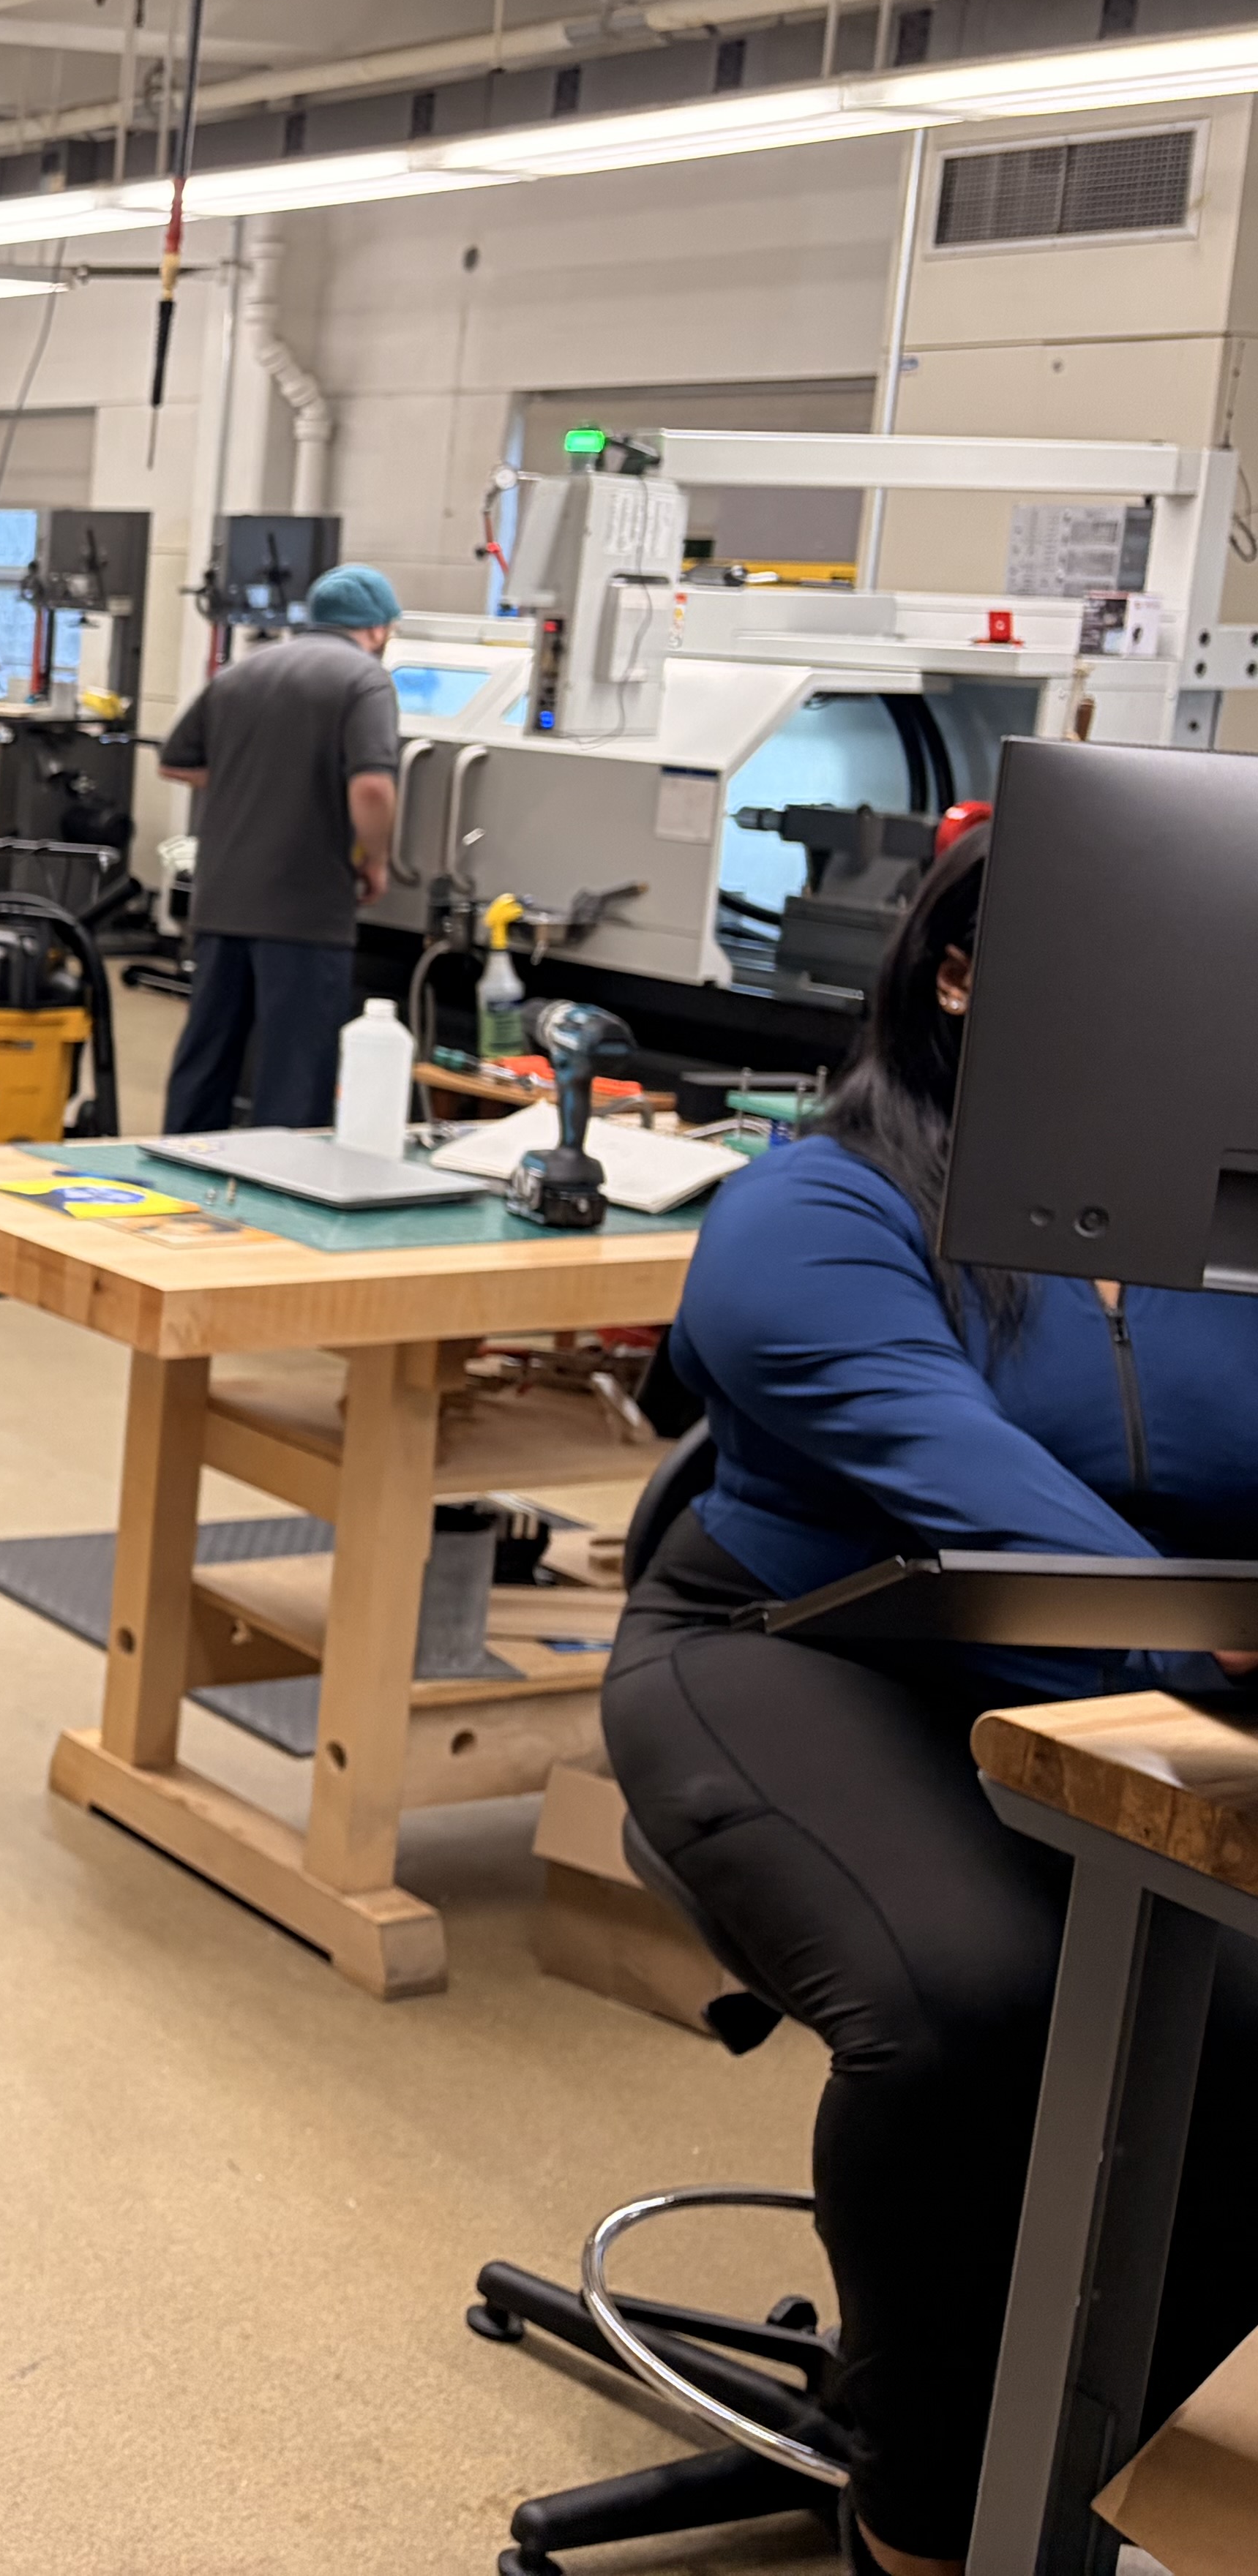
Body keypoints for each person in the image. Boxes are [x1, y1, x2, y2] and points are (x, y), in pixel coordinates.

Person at [599, 826, 1258, 2576]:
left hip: (1144, 1697)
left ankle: (1074, 2442)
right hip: (806, 1652)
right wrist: (1213, 1635)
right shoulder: (816, 1208)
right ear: (954, 980)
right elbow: (961, 1484)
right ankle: (924, 2509)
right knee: (978, 2002)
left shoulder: (1222, 1232)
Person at [151, 558, 403, 1133]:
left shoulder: (242, 672)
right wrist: (378, 861)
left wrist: (251, 776)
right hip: (305, 907)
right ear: (378, 628)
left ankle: (179, 1173)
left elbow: (175, 762)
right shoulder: (364, 679)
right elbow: (370, 786)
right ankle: (282, 1197)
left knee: (208, 1052)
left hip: (223, 900)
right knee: (295, 1066)